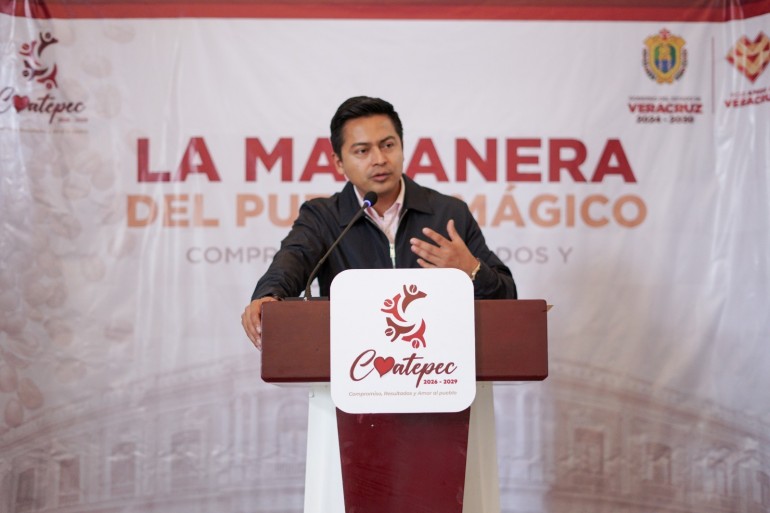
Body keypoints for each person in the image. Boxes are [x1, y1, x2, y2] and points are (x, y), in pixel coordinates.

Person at [241, 96, 516, 350]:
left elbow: (508, 299)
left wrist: (472, 270)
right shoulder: (322, 217)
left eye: (388, 145)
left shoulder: (448, 213)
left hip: (438, 363)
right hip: (356, 362)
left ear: (402, 148)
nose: (380, 159)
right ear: (339, 163)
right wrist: (268, 295)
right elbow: (291, 262)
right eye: (362, 151)